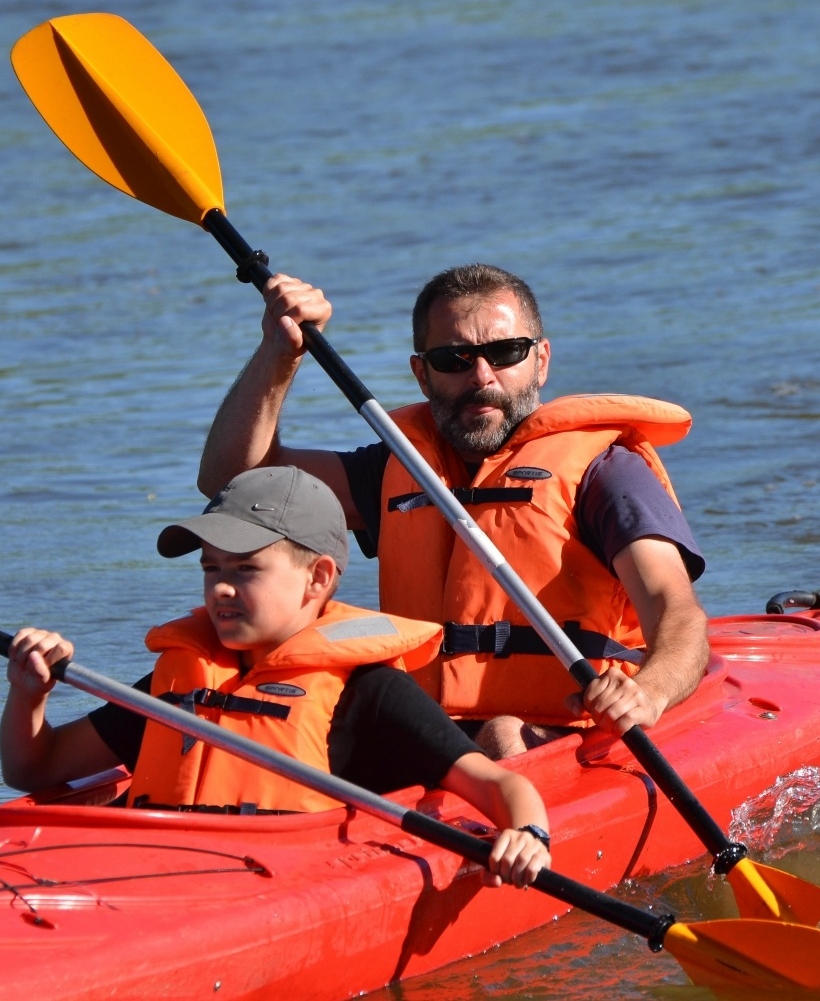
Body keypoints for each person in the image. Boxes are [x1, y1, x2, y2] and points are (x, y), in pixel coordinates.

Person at [197, 264, 710, 758]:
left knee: (503, 736)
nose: (482, 377)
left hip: (559, 730)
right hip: (424, 731)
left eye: (506, 352)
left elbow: (676, 610)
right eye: (453, 359)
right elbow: (234, 482)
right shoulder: (397, 468)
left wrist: (648, 693)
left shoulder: (606, 471)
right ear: (422, 374)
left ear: (542, 360)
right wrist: (278, 354)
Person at [0, 465, 552, 888]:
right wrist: (30, 696)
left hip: (278, 884)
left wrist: (528, 836)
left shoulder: (372, 692)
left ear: (318, 579)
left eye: (245, 569)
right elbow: (35, 767)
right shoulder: (181, 681)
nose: (219, 587)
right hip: (159, 878)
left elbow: (502, 785)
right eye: (210, 568)